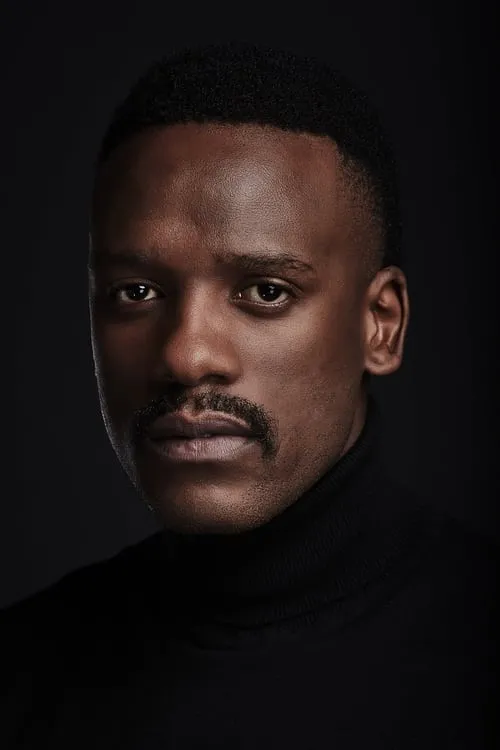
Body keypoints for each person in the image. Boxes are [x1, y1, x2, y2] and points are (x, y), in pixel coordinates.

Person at [1, 42, 496, 749]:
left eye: (266, 291)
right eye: (135, 292)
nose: (186, 355)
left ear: (380, 324)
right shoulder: (22, 671)